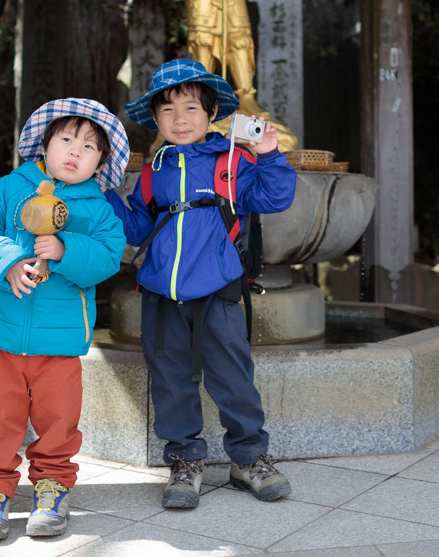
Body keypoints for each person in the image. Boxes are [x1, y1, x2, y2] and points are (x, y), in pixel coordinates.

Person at [107, 59, 297, 509]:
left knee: (233, 377)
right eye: (168, 110)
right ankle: (184, 461)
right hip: (161, 294)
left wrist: (269, 153)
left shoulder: (232, 161)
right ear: (155, 119)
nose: (180, 119)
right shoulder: (155, 169)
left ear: (211, 113)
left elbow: (275, 196)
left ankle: (249, 458)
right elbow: (136, 228)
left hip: (220, 291)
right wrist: (103, 195)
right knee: (171, 380)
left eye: (191, 108)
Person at [0, 98, 129, 542]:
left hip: (60, 343)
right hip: (1, 335)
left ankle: (51, 487)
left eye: (90, 147)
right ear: (45, 145)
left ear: (101, 162)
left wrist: (66, 249)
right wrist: (9, 260)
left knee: (58, 420)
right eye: (67, 139)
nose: (76, 151)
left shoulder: (98, 210)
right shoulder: (7, 188)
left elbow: (110, 257)